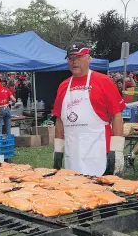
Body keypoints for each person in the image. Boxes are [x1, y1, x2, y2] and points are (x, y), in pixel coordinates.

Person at [52, 42, 126, 176]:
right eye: (71, 58)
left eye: (79, 57)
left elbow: (116, 116)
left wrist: (117, 149)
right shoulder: (63, 86)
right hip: (72, 152)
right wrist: (58, 150)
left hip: (99, 151)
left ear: (89, 58)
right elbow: (60, 120)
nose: (74, 62)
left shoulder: (104, 81)